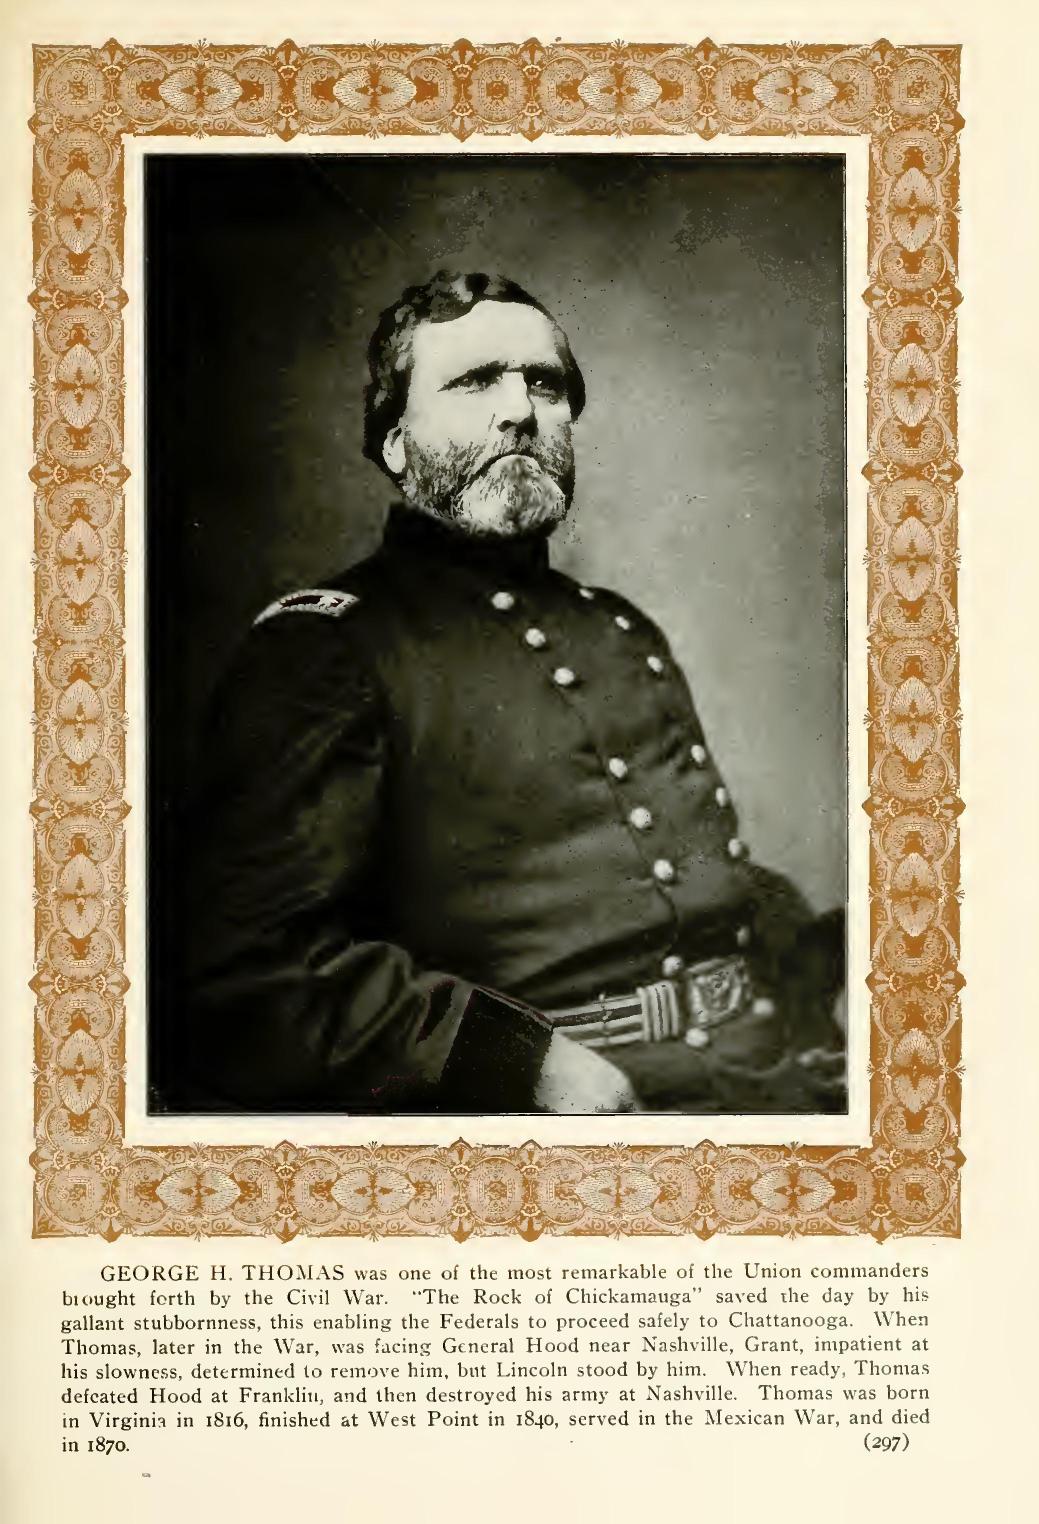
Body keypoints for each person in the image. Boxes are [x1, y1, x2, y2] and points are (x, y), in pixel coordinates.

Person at [179, 271, 845, 1115]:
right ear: (395, 444)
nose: (519, 411)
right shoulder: (327, 647)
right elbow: (251, 971)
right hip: (569, 1124)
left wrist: (831, 963)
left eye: (545, 384)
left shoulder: (619, 627)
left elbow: (682, 890)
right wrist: (520, 1064)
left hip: (761, 1081)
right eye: (473, 382)